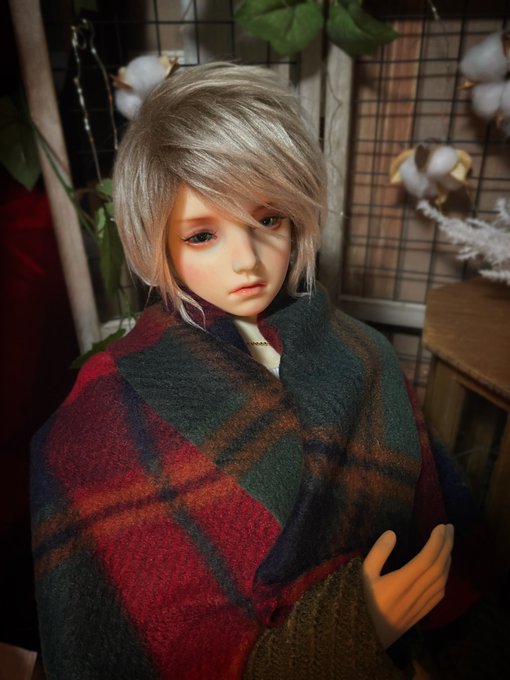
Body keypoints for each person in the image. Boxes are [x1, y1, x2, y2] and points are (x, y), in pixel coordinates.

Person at [31, 63, 472, 680]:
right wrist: (354, 627)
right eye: (202, 235)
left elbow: (439, 541)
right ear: (156, 243)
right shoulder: (100, 415)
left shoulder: (362, 352)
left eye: (268, 220)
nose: (247, 261)